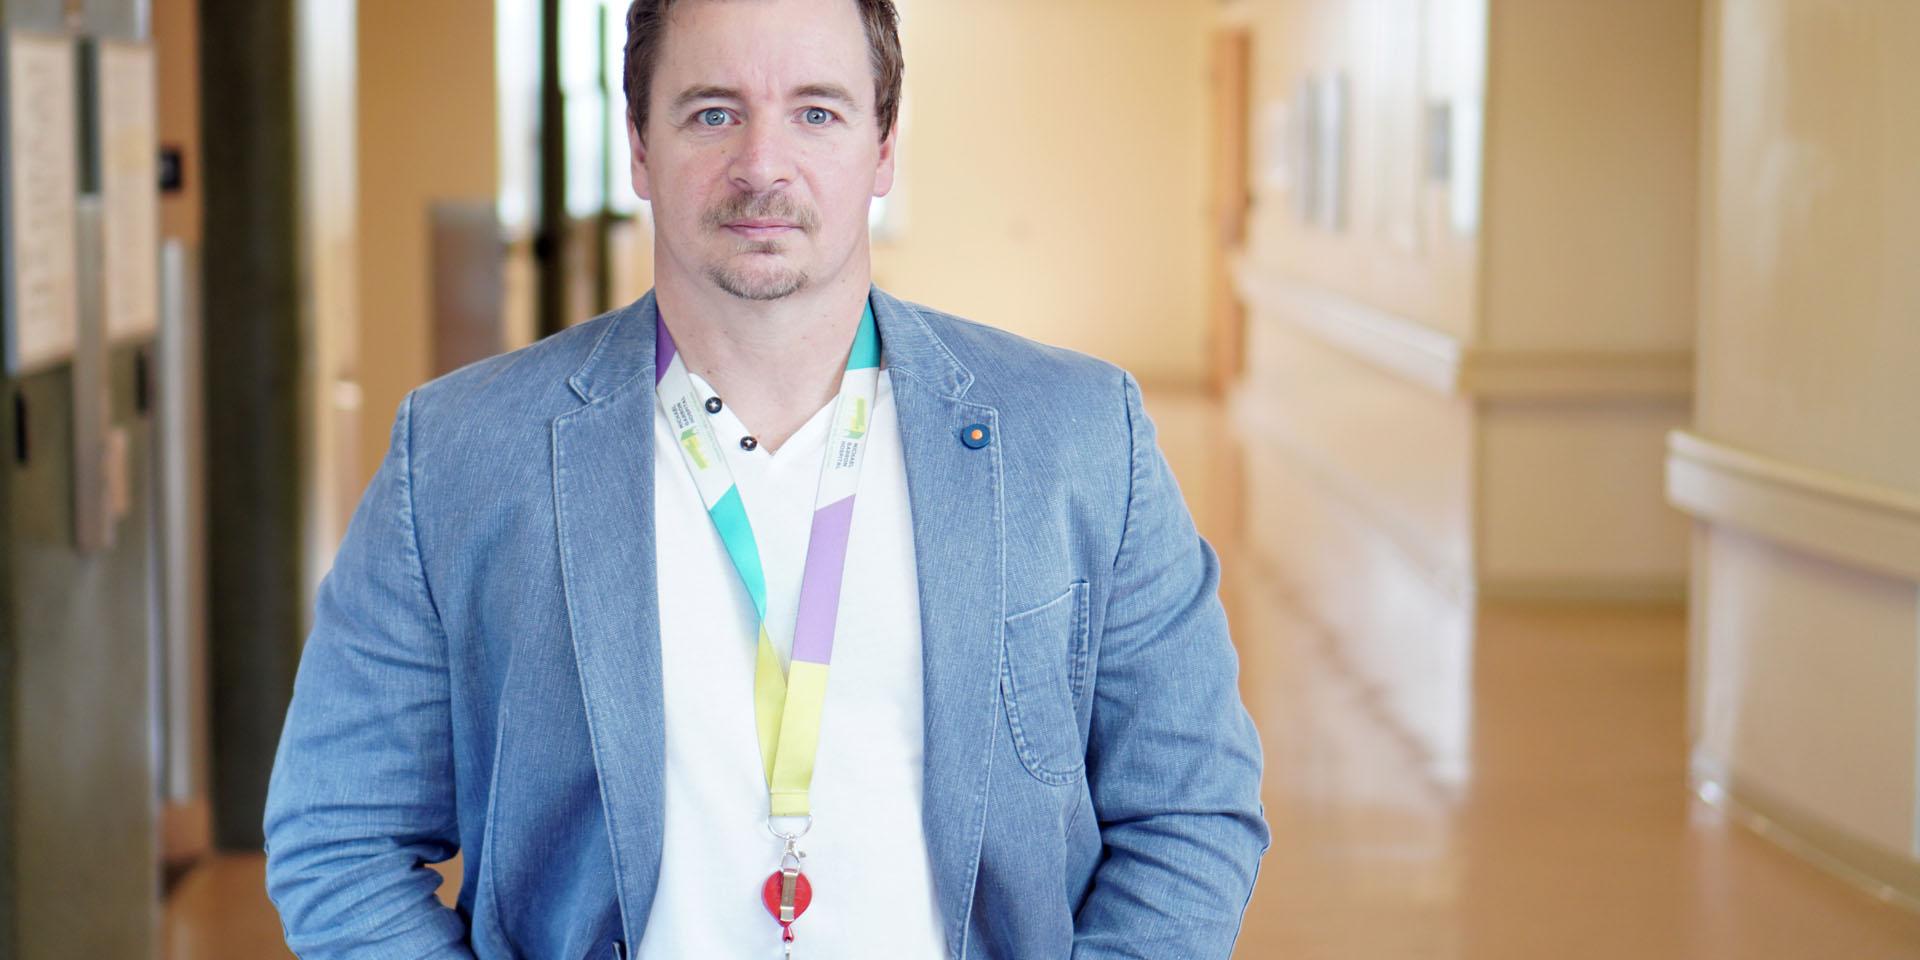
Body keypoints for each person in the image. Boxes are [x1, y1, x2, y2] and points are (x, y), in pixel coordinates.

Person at [262, 0, 1268, 956]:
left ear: (881, 147)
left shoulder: (1078, 435)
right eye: (712, 113)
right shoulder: (462, 453)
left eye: (816, 112)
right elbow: (337, 835)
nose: (762, 166)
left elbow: (1191, 805)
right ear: (641, 148)